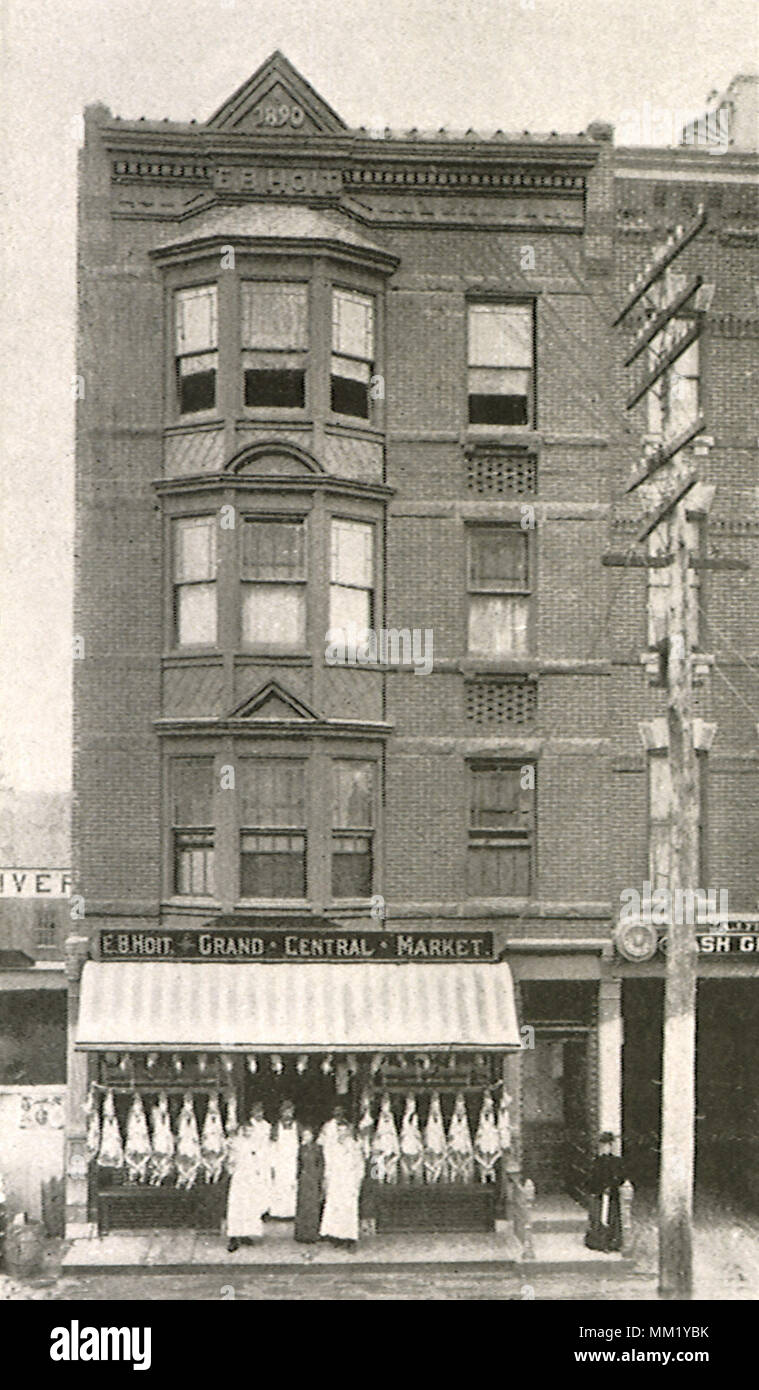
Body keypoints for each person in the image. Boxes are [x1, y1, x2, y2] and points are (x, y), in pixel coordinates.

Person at [225, 1106, 271, 1252]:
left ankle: (246, 1234)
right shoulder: (236, 1143)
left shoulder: (255, 1144)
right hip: (239, 1178)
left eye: (251, 1131)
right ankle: (234, 1236)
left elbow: (260, 1159)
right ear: (242, 1130)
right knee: (237, 1207)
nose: (248, 1133)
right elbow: (230, 1159)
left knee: (250, 1206)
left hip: (251, 1178)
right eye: (246, 1130)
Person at [319, 1116, 365, 1250]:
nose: (342, 1133)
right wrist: (327, 1180)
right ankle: (337, 1237)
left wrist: (357, 1182)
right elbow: (329, 1164)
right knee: (336, 1209)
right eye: (339, 1130)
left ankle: (350, 1238)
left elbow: (359, 1165)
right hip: (336, 1181)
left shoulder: (354, 1145)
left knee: (349, 1209)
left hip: (349, 1181)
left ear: (349, 1132)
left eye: (344, 1131)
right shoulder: (332, 1146)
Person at [585, 1132, 625, 1252]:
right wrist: (599, 1188)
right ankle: (598, 1242)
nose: (605, 1147)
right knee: (598, 1217)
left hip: (612, 1194)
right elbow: (592, 1178)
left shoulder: (617, 1161)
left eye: (607, 1145)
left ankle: (613, 1242)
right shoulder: (597, 1161)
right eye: (602, 1145)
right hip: (599, 1193)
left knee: (612, 1217)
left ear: (611, 1145)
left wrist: (612, 1185)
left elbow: (620, 1177)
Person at [269, 1099, 299, 1220]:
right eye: (285, 1111)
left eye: (290, 1111)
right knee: (279, 1185)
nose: (287, 1114)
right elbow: (271, 1146)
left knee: (292, 1185)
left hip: (292, 1160)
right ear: (281, 1112)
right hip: (280, 1161)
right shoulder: (276, 1127)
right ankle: (278, 1213)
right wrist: (272, 1163)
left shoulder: (297, 1126)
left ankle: (292, 1213)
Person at [294, 1126, 324, 1244]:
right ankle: (301, 1234)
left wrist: (319, 1178)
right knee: (303, 1206)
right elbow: (298, 1164)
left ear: (313, 1136)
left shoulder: (318, 1149)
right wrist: (298, 1178)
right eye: (304, 1135)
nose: (306, 1137)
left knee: (313, 1207)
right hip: (303, 1179)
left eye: (308, 1135)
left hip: (314, 1179)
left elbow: (321, 1164)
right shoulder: (301, 1149)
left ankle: (312, 1234)